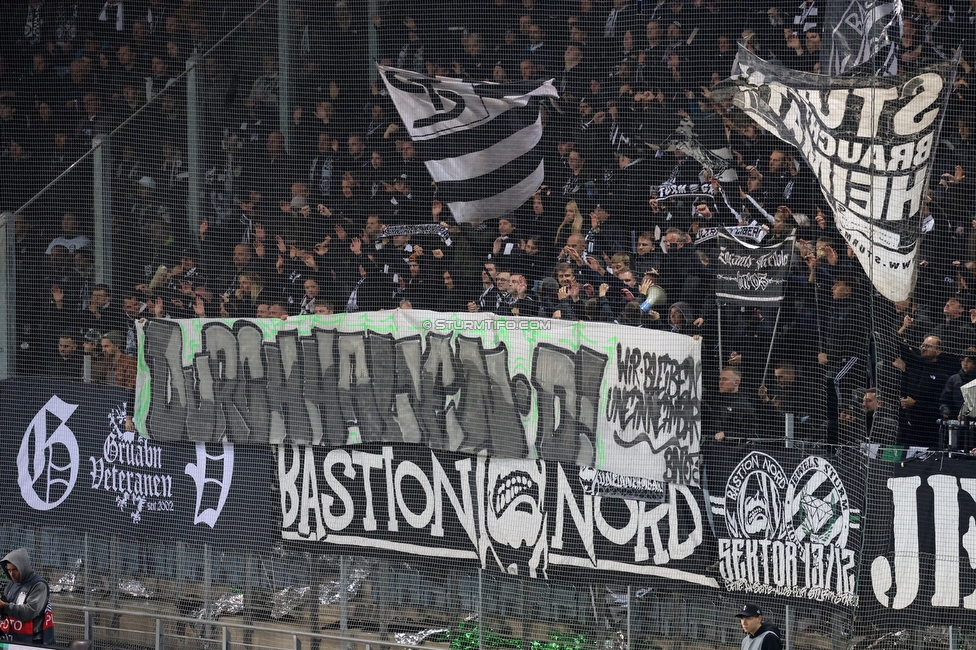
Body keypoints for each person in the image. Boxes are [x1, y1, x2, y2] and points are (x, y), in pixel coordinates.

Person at [0, 548, 55, 646]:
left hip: (34, 640)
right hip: (12, 636)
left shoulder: (38, 585)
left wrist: (5, 606)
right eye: (8, 570)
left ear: (23, 567)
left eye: (15, 570)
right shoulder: (11, 584)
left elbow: (30, 611)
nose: (11, 574)